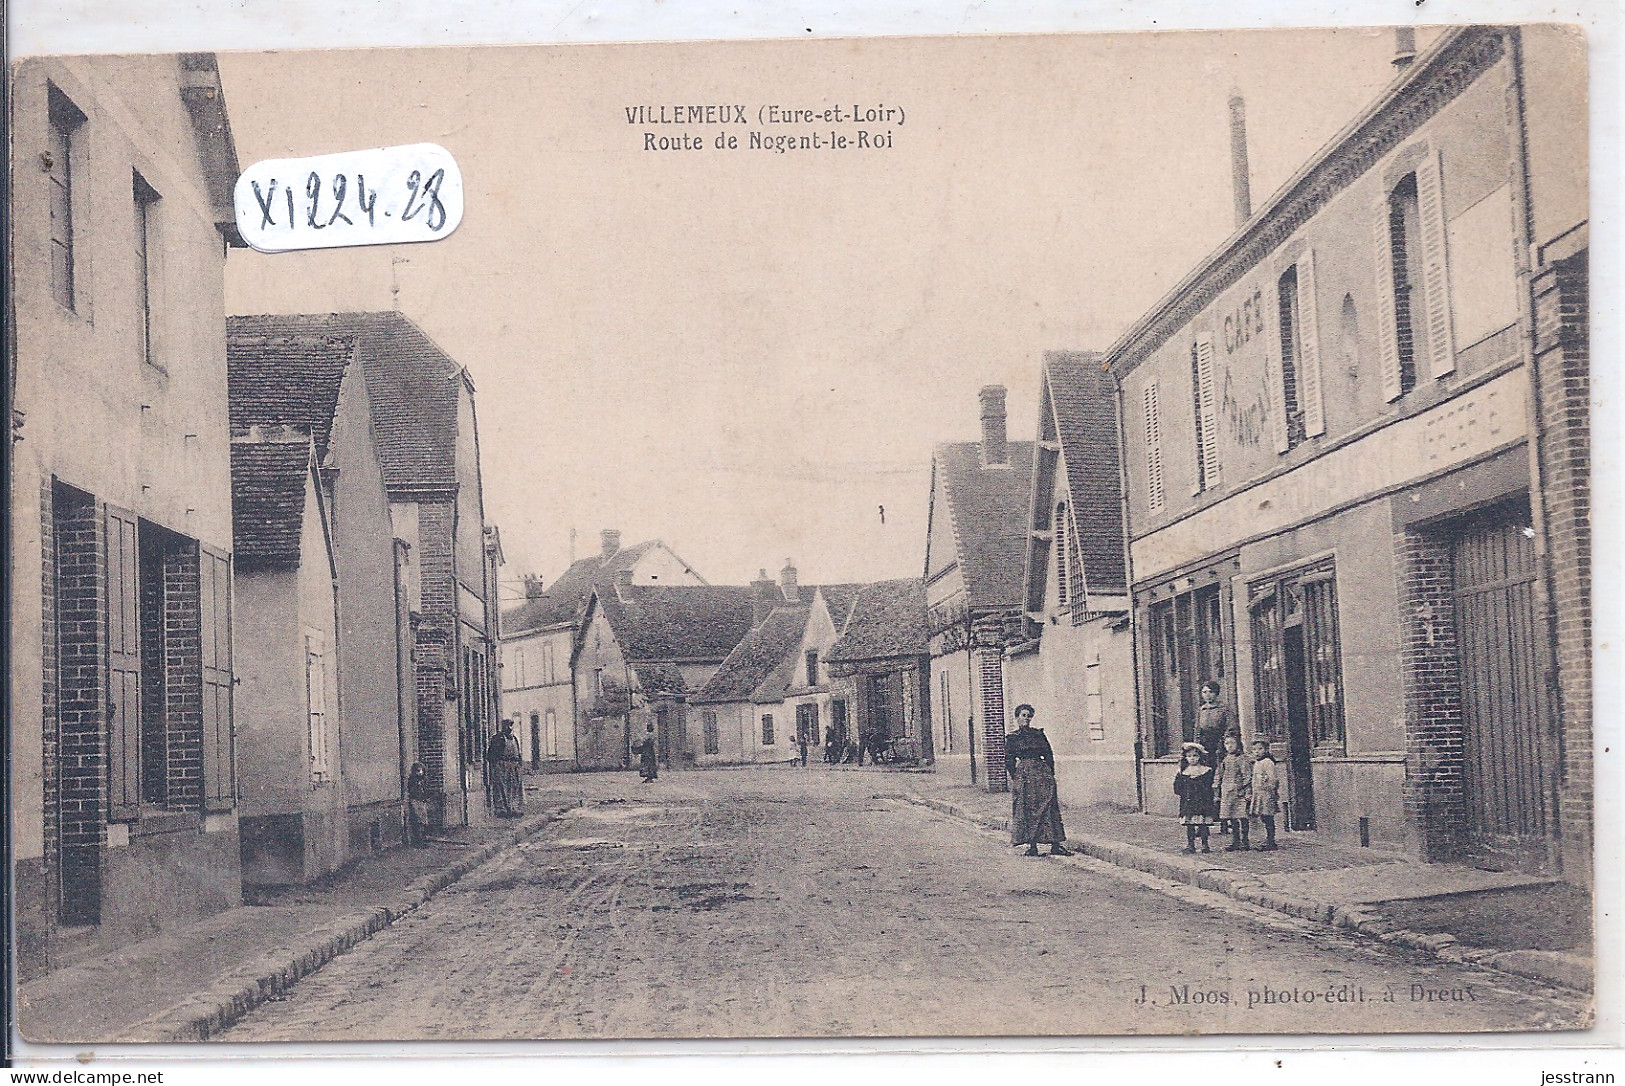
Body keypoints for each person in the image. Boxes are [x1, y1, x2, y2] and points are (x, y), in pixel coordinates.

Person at [1004, 704, 1072, 857]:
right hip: (1025, 777)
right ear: (1017, 718)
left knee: (1048, 807)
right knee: (1028, 810)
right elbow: (1008, 760)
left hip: (1042, 775)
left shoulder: (1038, 735)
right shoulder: (1013, 738)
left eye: (1029, 716)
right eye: (1023, 715)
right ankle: (1032, 846)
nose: (1026, 719)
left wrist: (1049, 773)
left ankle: (1056, 844)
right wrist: (1017, 777)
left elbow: (1048, 754)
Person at [1212, 732, 1253, 851]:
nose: (1229, 746)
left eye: (1232, 743)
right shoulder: (1224, 760)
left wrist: (1247, 791)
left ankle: (1245, 841)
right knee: (1231, 817)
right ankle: (1235, 841)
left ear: (1238, 744)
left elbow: (1247, 776)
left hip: (1239, 792)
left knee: (1242, 816)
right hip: (1227, 792)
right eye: (1226, 743)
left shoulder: (1242, 759)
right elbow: (1219, 775)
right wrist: (1217, 790)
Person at [1174, 741, 1216, 853]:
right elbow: (1177, 787)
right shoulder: (1183, 772)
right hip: (1188, 802)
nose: (1192, 758)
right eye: (1189, 756)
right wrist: (1184, 792)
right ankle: (1191, 845)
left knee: (1202, 824)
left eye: (1195, 756)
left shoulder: (1205, 771)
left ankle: (1205, 845)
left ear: (1200, 757)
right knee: (1190, 825)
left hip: (1202, 801)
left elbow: (1209, 786)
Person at [485, 720, 525, 818]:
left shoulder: (514, 738)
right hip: (502, 765)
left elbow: (518, 752)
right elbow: (490, 754)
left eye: (511, 726)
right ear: (503, 727)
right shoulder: (498, 738)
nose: (509, 728)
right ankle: (501, 809)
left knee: (514, 786)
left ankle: (512, 808)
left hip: (513, 765)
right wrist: (496, 765)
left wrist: (519, 764)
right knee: (501, 787)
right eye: (507, 726)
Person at [1249, 738, 1281, 851]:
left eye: (1260, 749)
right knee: (1264, 817)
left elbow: (1273, 779)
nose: (1257, 752)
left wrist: (1271, 789)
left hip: (1266, 793)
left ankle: (1271, 841)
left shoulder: (1268, 762)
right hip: (1259, 793)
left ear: (1266, 750)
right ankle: (1268, 840)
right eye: (1254, 749)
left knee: (1268, 817)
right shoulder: (1257, 762)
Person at [1195, 681, 1237, 768]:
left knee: (1219, 767)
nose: (1207, 695)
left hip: (1219, 743)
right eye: (1204, 692)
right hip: (1204, 744)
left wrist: (1224, 743)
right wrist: (1197, 745)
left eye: (1211, 692)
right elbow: (1198, 729)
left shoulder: (1224, 709)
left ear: (1216, 693)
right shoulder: (1201, 710)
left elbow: (1231, 728)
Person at [406, 762, 433, 846]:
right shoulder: (412, 780)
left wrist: (426, 797)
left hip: (422, 801)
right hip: (415, 801)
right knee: (417, 820)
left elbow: (425, 791)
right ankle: (417, 840)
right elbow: (412, 791)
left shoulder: (424, 780)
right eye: (418, 771)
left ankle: (423, 839)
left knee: (424, 821)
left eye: (421, 771)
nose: (420, 773)